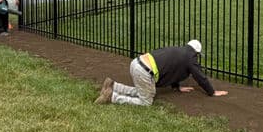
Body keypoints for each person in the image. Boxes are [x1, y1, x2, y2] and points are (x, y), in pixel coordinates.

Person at [96, 40, 227, 106]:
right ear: (196, 52)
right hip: (145, 71)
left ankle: (113, 85)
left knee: (145, 92)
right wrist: (212, 92)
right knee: (146, 102)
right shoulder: (190, 57)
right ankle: (112, 97)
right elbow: (200, 76)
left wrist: (177, 87)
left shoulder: (179, 51)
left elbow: (174, 69)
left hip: (136, 63)